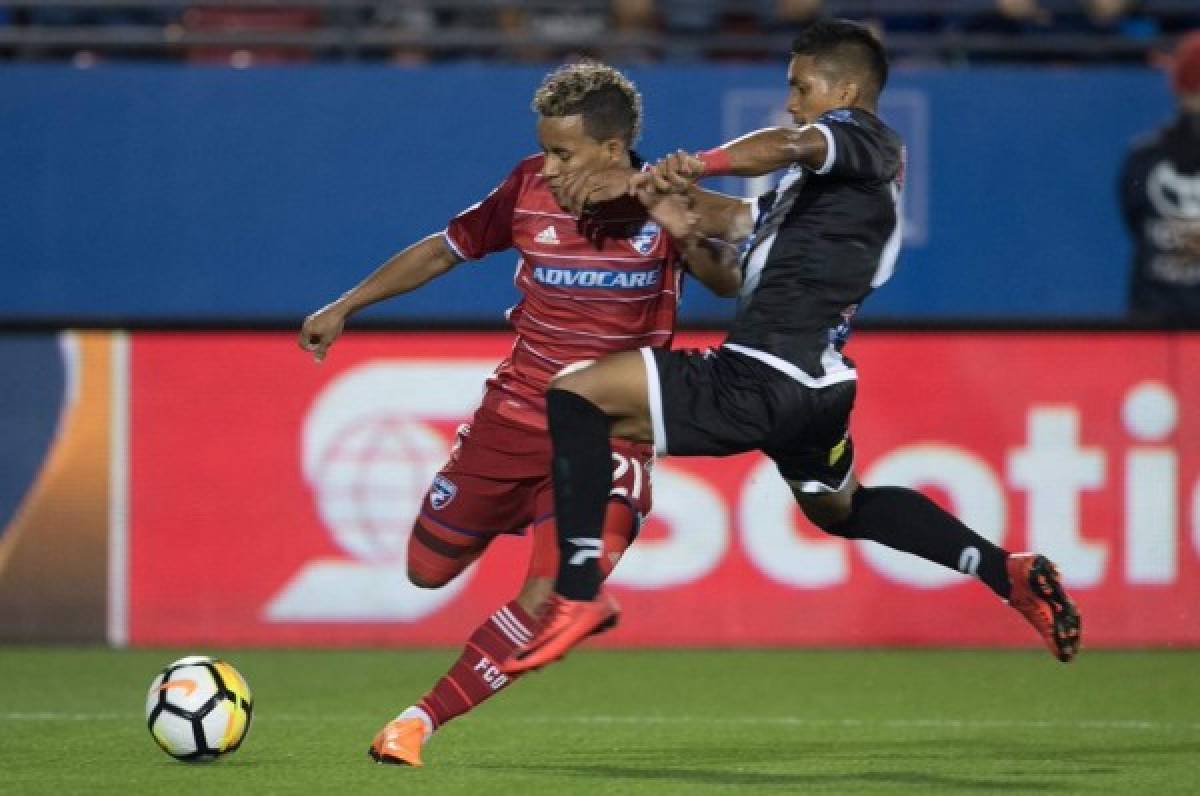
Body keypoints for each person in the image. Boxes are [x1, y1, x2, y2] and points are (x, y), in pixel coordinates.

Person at [502, 19, 1082, 676]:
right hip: (820, 388)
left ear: (849, 88)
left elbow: (790, 142)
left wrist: (693, 162)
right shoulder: (814, 196)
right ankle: (1008, 572)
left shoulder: (862, 138)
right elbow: (730, 245)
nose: (793, 100)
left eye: (801, 85)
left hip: (763, 375)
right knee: (842, 506)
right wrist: (657, 201)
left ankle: (577, 594)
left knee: (577, 392)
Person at [298, 61, 740, 767]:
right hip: (515, 416)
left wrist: (676, 221)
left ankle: (417, 723)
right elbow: (444, 251)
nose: (553, 167)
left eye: (565, 153)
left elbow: (729, 280)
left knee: (551, 595)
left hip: (609, 431)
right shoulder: (526, 185)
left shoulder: (663, 197)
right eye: (548, 150)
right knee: (426, 569)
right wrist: (348, 303)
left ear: (613, 146)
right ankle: (527, 512)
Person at [1120, 30, 1200, 325]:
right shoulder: (1145, 156)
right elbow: (1134, 217)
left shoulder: (1143, 155)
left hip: (1152, 313)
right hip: (1153, 320)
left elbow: (1134, 217)